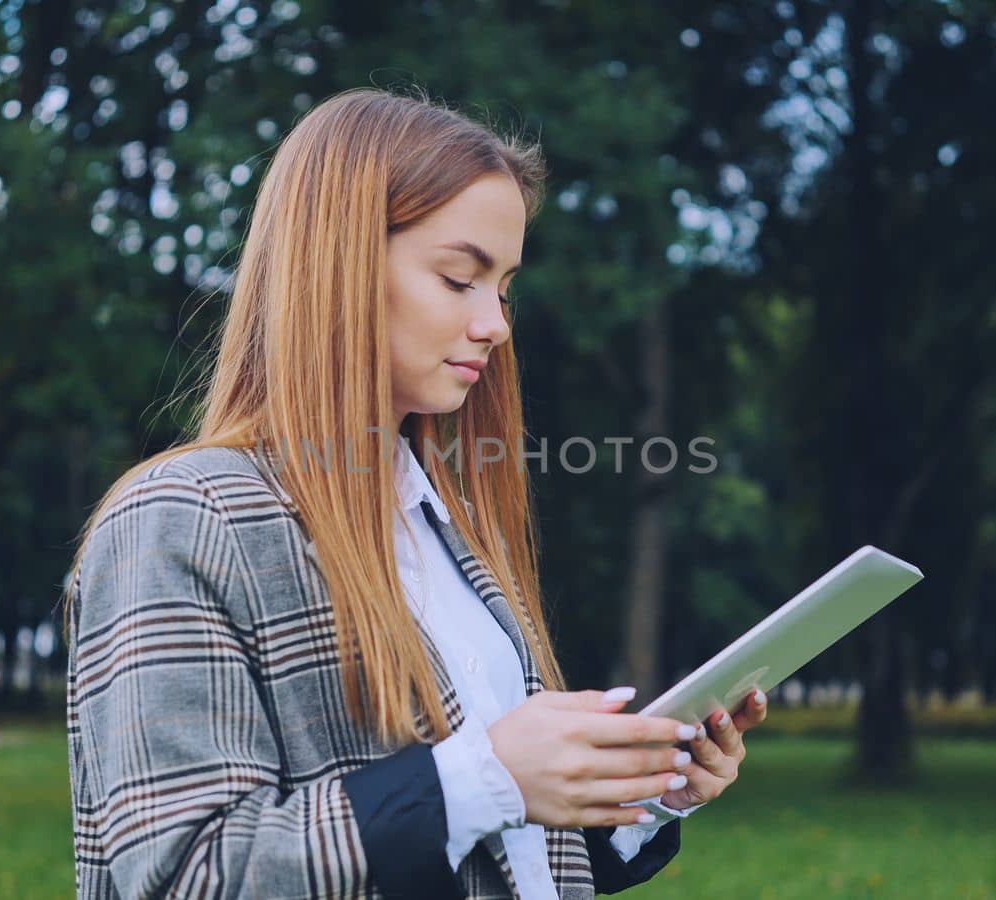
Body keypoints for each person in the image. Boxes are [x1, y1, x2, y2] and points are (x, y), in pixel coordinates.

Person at [62, 87, 768, 900]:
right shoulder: (181, 518)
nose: (496, 324)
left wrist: (642, 795)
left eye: (502, 288)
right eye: (460, 278)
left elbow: (504, 854)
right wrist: (487, 777)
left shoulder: (442, 523)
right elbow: (187, 872)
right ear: (338, 265)